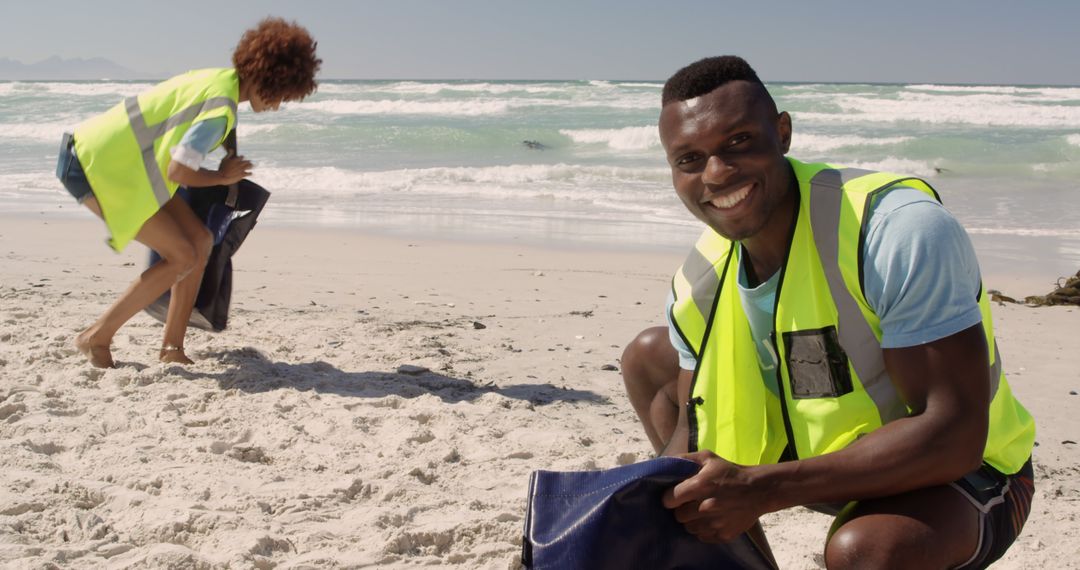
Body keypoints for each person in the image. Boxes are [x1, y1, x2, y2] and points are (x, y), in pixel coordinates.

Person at [619, 56, 1035, 569]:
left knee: (866, 552)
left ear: (783, 132)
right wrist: (655, 500)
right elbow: (694, 431)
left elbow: (954, 436)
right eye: (689, 160)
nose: (717, 173)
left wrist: (759, 488)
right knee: (650, 357)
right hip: (809, 462)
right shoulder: (699, 280)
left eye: (739, 142)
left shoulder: (893, 229)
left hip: (962, 472)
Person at [55, 17, 321, 368]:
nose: (279, 104)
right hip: (96, 169)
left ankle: (171, 349)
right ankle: (96, 336)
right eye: (282, 94)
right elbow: (178, 171)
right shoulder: (219, 111)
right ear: (267, 77)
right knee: (180, 256)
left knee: (199, 241)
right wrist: (222, 176)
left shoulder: (218, 80)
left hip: (123, 166)